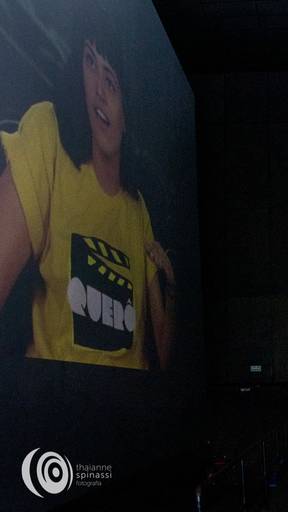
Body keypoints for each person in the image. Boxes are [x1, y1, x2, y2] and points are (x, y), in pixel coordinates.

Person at [0, 16, 175, 370]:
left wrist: (170, 288)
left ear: (127, 116)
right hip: (55, 394)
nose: (98, 90)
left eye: (111, 81)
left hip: (127, 397)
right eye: (90, 63)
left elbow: (163, 347)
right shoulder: (49, 136)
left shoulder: (137, 208)